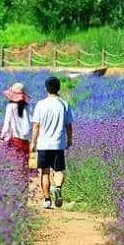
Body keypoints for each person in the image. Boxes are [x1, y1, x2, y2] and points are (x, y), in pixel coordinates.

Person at [30, 77, 73, 209]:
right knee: (58, 170)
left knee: (45, 172)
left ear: (46, 89)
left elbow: (36, 125)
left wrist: (33, 142)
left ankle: (47, 200)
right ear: (58, 88)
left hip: (44, 144)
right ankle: (58, 187)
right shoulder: (64, 104)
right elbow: (68, 125)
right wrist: (69, 139)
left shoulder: (40, 104)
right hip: (58, 144)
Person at [0, 82, 33, 168]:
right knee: (25, 165)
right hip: (26, 140)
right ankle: (25, 180)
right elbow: (31, 122)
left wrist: (2, 136)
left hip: (15, 139)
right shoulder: (28, 107)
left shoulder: (10, 106)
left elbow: (6, 124)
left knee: (15, 165)